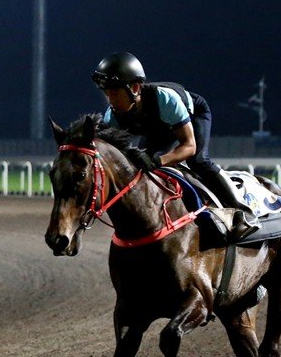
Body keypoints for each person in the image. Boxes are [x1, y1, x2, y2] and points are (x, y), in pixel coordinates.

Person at [91, 52, 258, 242]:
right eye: (106, 94)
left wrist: (159, 160)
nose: (110, 100)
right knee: (140, 169)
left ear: (135, 88)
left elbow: (189, 146)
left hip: (193, 116)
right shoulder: (111, 116)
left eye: (114, 93)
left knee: (198, 161)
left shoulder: (165, 100)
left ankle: (243, 212)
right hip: (159, 127)